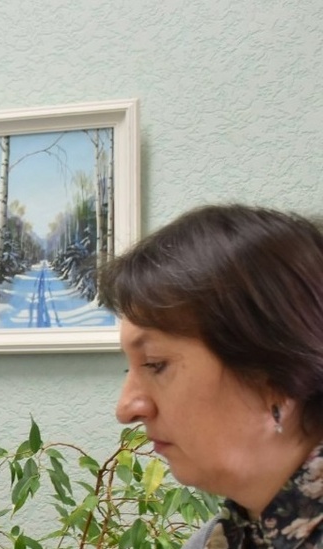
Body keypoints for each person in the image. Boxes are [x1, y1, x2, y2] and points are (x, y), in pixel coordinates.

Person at [103, 204, 323, 549]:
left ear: (276, 373)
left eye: (156, 363)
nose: (126, 408)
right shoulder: (223, 538)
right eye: (129, 368)